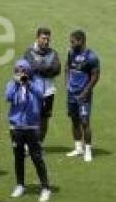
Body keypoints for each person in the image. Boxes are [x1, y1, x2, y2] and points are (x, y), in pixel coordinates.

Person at [6, 61, 51, 202]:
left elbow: (40, 95)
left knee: (36, 157)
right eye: (18, 70)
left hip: (32, 127)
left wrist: (28, 84)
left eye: (23, 70)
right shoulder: (12, 84)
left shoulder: (37, 82)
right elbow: (8, 97)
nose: (21, 72)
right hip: (16, 127)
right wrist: (16, 84)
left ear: (28, 70)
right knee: (18, 157)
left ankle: (45, 187)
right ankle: (20, 185)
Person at [64, 30, 100, 162]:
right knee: (74, 120)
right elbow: (67, 67)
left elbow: (95, 76)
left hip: (83, 95)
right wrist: (67, 83)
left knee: (85, 122)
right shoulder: (71, 53)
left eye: (73, 41)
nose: (71, 44)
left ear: (81, 41)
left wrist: (85, 92)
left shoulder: (91, 57)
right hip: (71, 94)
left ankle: (88, 150)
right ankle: (78, 148)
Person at [23, 27, 61, 142]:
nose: (46, 41)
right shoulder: (29, 52)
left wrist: (40, 67)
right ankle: (27, 144)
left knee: (44, 119)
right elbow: (31, 67)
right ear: (37, 38)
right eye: (43, 38)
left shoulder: (53, 53)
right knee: (31, 117)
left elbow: (57, 69)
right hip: (33, 90)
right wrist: (47, 68)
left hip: (49, 91)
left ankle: (39, 144)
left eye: (48, 39)